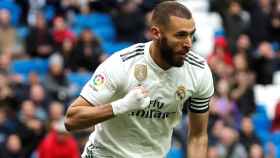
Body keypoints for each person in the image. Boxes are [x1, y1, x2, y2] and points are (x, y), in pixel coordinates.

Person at [64, 1, 214, 158]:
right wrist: (121, 106)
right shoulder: (121, 64)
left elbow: (198, 136)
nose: (188, 43)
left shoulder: (199, 72)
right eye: (180, 35)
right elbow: (72, 119)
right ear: (156, 33)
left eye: (191, 34)